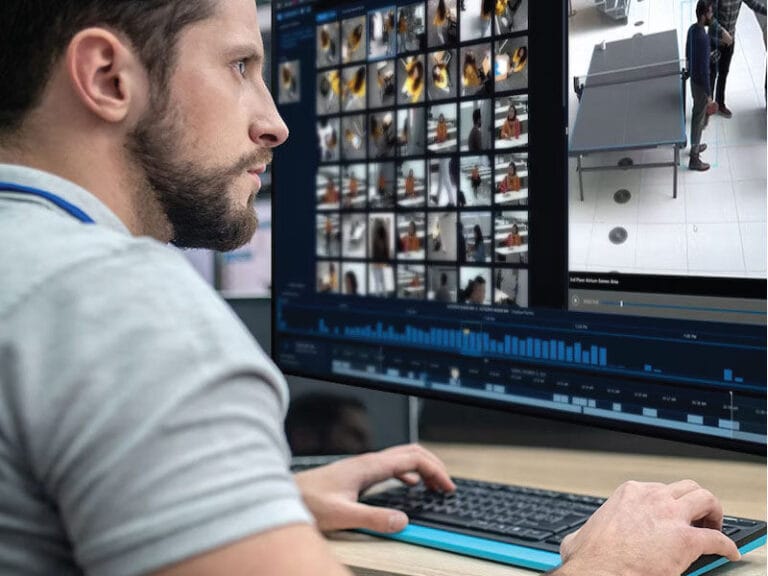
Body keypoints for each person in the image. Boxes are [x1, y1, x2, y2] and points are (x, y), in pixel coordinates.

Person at [0, 0, 743, 574]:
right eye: (239, 66)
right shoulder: (126, 310)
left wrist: (250, 505)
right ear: (108, 76)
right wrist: (613, 563)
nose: (275, 123)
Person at [708, 0, 766, 118]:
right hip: (715, 41)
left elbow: (754, 5)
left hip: (729, 41)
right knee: (712, 74)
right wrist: (722, 33)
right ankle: (708, 105)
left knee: (723, 73)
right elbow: (710, 18)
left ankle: (720, 103)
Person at [687, 0, 717, 171]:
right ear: (704, 15)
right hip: (701, 86)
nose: (712, 15)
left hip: (693, 81)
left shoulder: (692, 29)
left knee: (696, 115)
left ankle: (696, 145)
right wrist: (709, 93)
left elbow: (688, 51)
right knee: (698, 120)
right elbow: (705, 71)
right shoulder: (704, 39)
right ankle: (694, 158)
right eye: (710, 13)